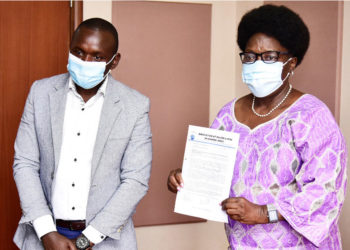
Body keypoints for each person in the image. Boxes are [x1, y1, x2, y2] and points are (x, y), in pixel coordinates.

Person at [167, 5, 347, 249]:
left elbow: (325, 192)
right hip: (242, 243)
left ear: (291, 63)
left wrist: (264, 213)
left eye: (270, 57)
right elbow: (214, 173)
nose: (257, 63)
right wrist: (186, 179)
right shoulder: (228, 115)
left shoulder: (312, 116)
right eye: (250, 56)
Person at [13, 18, 152, 250]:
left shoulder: (135, 106)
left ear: (114, 61)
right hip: (43, 237)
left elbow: (135, 180)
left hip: (105, 240)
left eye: (97, 56)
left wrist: (87, 239)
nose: (85, 61)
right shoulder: (40, 93)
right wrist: (46, 232)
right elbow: (25, 163)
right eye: (78, 52)